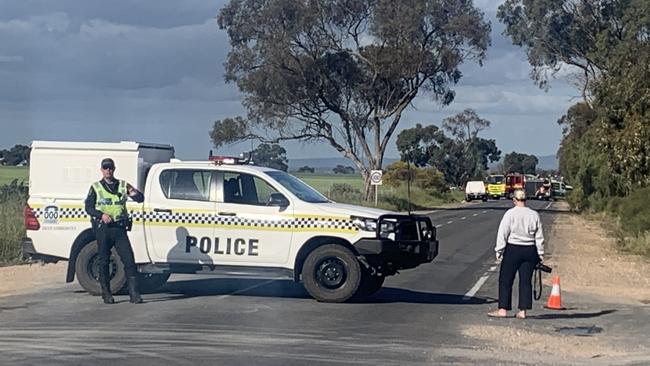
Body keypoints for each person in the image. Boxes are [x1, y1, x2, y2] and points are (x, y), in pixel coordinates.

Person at [84, 158, 144, 304]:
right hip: (103, 229)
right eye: (105, 168)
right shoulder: (96, 187)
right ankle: (106, 293)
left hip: (119, 228)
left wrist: (134, 193)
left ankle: (134, 294)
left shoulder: (123, 185)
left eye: (110, 168)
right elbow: (89, 208)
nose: (108, 171)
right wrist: (101, 215)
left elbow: (140, 199)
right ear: (101, 170)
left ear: (114, 169)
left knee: (129, 260)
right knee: (104, 261)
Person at [488, 189, 544, 319]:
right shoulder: (534, 214)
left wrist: (499, 250)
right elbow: (539, 236)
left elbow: (503, 233)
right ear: (526, 199)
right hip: (530, 249)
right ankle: (523, 311)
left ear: (514, 200)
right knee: (525, 281)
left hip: (513, 249)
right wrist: (540, 253)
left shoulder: (510, 214)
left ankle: (503, 309)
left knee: (506, 279)